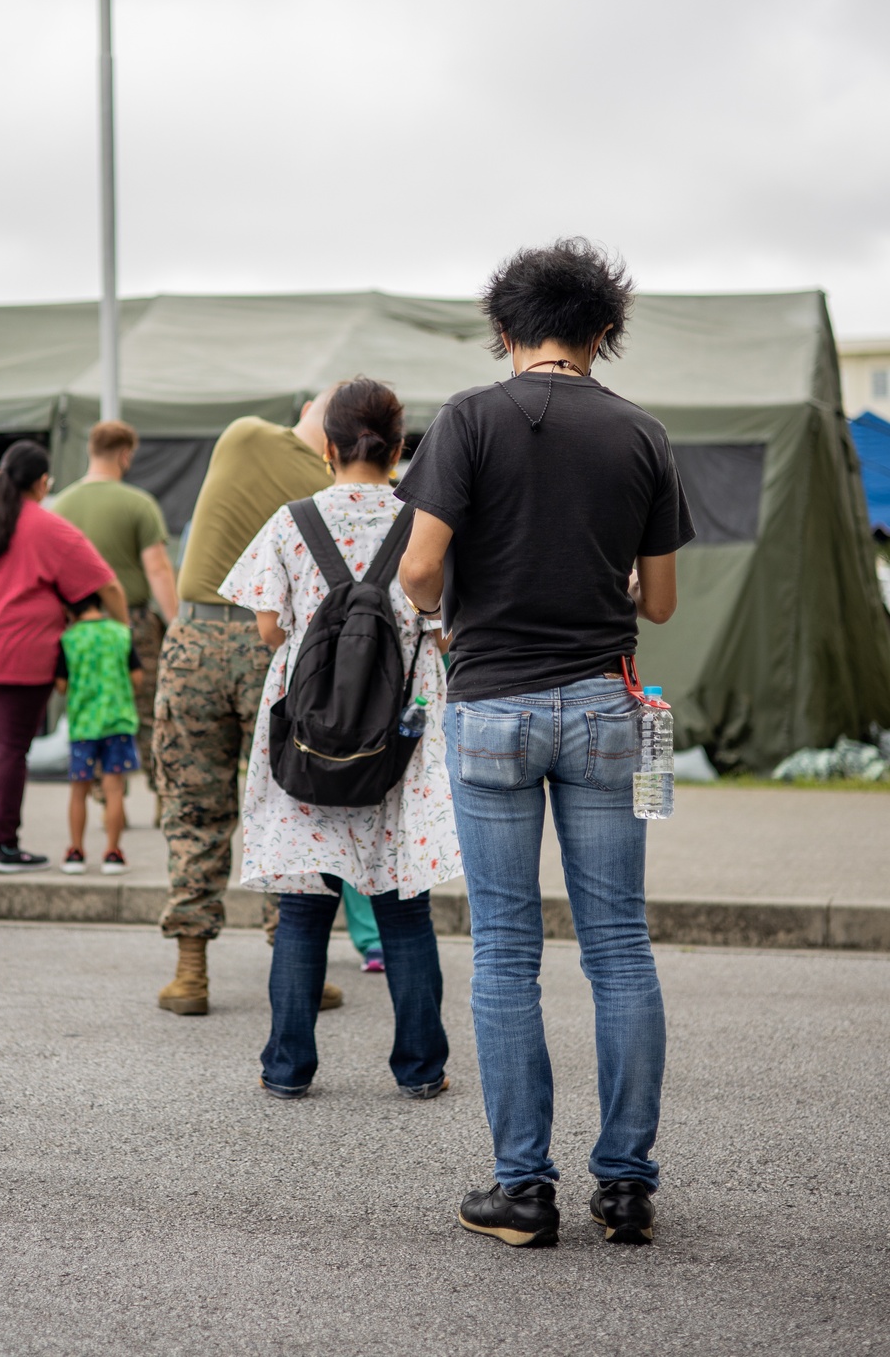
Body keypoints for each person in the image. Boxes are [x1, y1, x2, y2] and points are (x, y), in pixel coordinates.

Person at [397, 239, 695, 1247]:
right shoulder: (642, 434)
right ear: (603, 332)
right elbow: (656, 599)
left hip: (490, 707)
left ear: (504, 330)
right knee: (619, 947)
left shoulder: (468, 420)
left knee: (506, 954)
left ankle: (522, 1190)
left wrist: (454, 616)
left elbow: (418, 569)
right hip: (611, 709)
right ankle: (625, 1186)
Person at [222, 377, 462, 1099]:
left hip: (309, 732)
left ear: (327, 445)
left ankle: (288, 1069)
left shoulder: (292, 521)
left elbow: (269, 625)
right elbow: (444, 624)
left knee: (302, 909)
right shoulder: (427, 518)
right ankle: (420, 1070)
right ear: (399, 448)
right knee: (403, 905)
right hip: (403, 735)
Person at [154, 395, 346, 1016]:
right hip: (273, 647)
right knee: (288, 805)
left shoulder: (246, 440)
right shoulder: (269, 443)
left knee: (194, 805)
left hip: (198, 642)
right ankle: (296, 968)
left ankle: (192, 972)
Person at [0, 440, 128, 873]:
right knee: (11, 747)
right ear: (41, 483)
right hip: (25, 652)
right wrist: (122, 629)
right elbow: (107, 586)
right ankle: (4, 846)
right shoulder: (51, 528)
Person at [50, 420, 178, 786]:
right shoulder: (139, 504)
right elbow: (157, 569)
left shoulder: (62, 506)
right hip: (132, 623)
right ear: (125, 455)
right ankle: (160, 792)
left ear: (91, 451)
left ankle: (104, 791)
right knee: (150, 711)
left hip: (79, 627)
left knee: (91, 709)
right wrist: (176, 623)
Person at [54, 593, 144, 875]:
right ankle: (113, 853)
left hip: (83, 724)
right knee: (114, 788)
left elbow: (60, 684)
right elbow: (137, 678)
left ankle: (76, 852)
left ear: (70, 608)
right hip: (117, 721)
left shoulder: (69, 639)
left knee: (79, 789)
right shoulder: (120, 633)